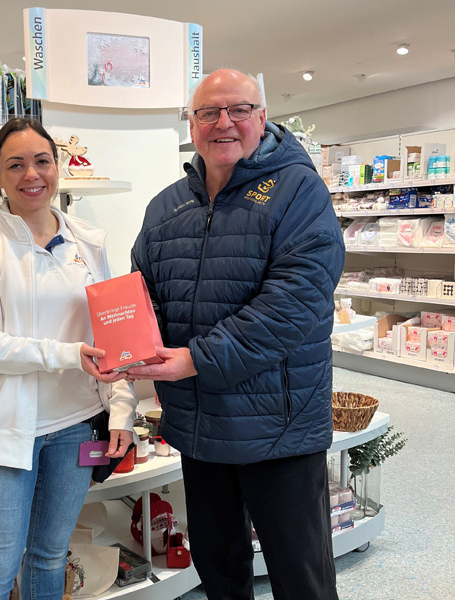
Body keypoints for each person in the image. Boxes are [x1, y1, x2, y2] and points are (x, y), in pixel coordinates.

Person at [128, 69, 345, 600]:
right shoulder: (166, 207)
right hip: (200, 427)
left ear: (262, 118)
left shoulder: (299, 192)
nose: (223, 122)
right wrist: (125, 344)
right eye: (208, 112)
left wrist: (195, 360)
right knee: (219, 571)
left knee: (301, 577)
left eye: (239, 109)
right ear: (192, 125)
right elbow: (144, 294)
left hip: (279, 427)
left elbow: (294, 305)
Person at [0, 118, 137, 600]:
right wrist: (67, 355)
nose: (32, 174)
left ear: (58, 167)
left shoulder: (88, 241)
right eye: (16, 165)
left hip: (76, 424)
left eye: (42, 161)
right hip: (6, 427)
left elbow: (111, 331)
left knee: (50, 556)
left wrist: (121, 408)